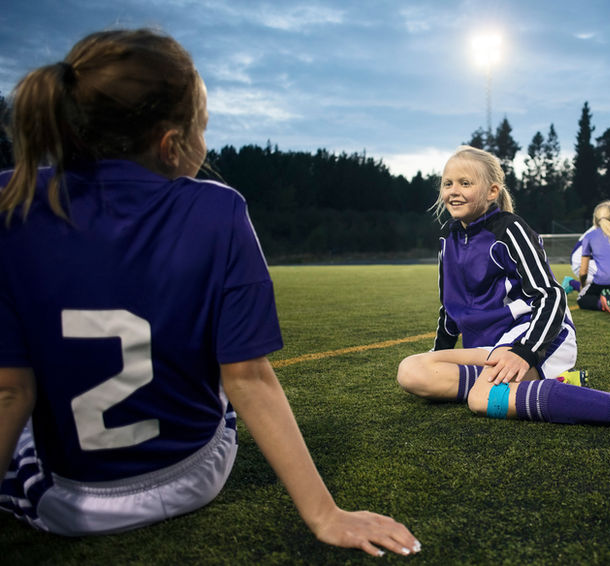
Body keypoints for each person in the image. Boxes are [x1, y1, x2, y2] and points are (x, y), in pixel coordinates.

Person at [0, 29, 420, 557]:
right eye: (203, 126)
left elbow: (10, 392)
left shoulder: (13, 202)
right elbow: (248, 378)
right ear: (172, 145)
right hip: (197, 474)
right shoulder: (219, 209)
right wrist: (324, 514)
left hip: (69, 501)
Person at [396, 146, 610, 448]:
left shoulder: (509, 229)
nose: (454, 191)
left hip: (536, 335)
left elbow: (551, 296)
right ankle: (535, 386)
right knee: (412, 371)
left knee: (480, 398)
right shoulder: (447, 240)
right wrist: (438, 353)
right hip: (490, 349)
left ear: (492, 191)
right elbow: (450, 309)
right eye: (448, 184)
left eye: (465, 183)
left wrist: (525, 352)